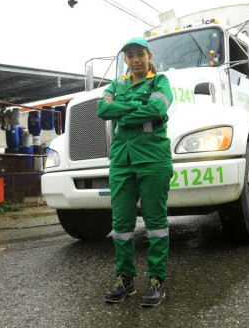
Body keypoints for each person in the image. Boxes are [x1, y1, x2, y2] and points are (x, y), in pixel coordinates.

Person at [97, 37, 173, 307]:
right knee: (121, 226)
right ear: (125, 60)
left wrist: (122, 112)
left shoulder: (160, 82)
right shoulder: (116, 84)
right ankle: (124, 279)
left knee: (155, 224)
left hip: (153, 159)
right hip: (121, 161)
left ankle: (156, 280)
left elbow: (158, 108)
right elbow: (102, 109)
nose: (135, 59)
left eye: (139, 54)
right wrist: (135, 108)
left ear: (149, 55)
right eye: (129, 56)